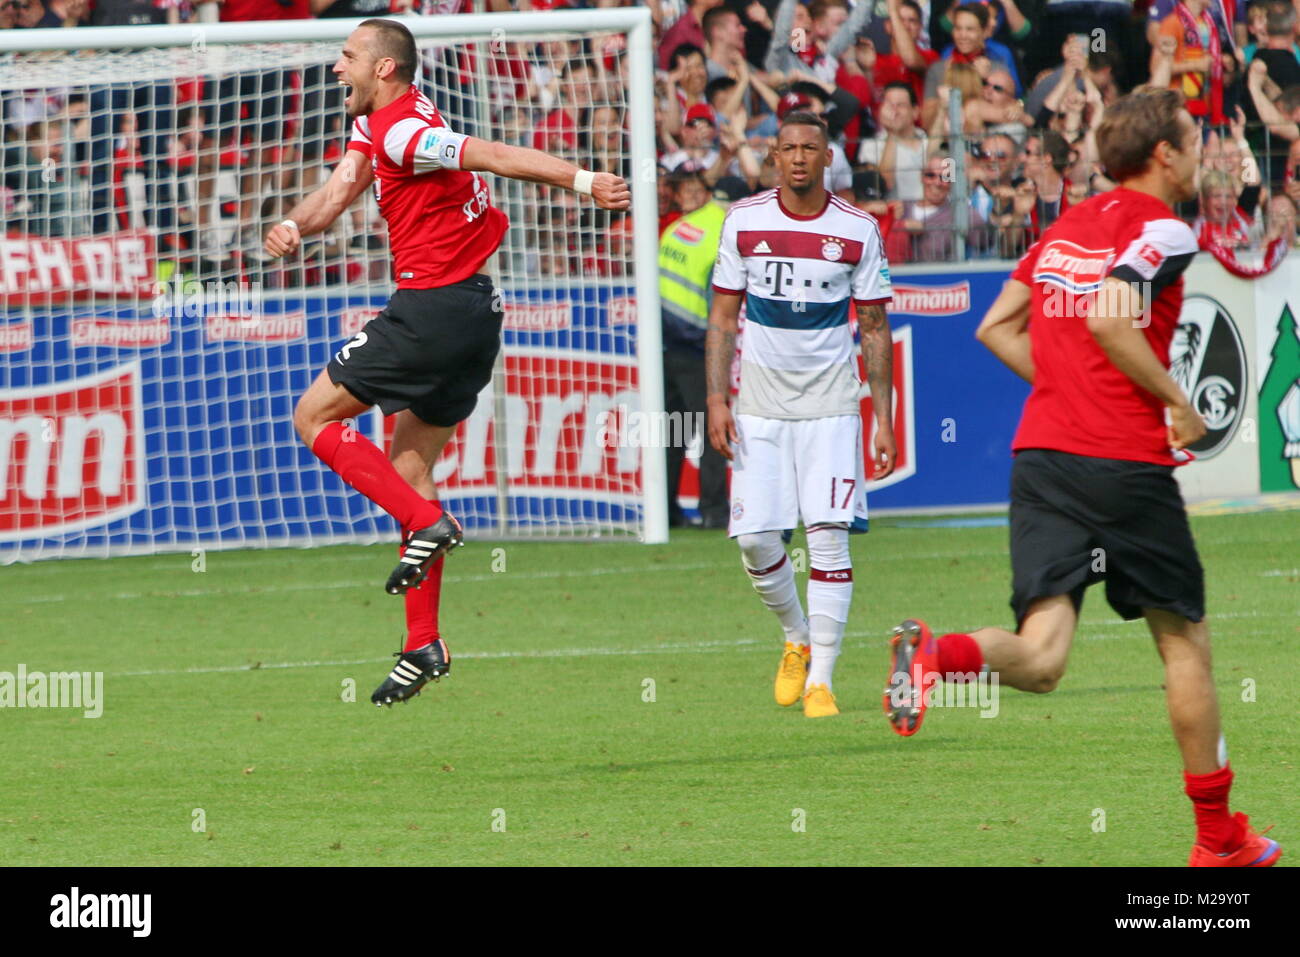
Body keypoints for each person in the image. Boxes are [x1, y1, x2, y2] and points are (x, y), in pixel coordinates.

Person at [882, 88, 1282, 869]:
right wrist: (1179, 403)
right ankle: (1218, 838)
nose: (1201, 154)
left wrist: (1064, 391)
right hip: (1123, 462)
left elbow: (995, 326)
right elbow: (1109, 314)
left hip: (1042, 459)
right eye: (1194, 140)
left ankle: (938, 653)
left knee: (1042, 657)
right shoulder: (1165, 228)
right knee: (1185, 647)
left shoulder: (1062, 229)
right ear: (1164, 155)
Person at [263, 19, 629, 707]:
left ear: (384, 70)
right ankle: (422, 643)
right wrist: (293, 224)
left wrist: (582, 180)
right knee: (410, 467)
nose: (336, 69)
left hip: (431, 313)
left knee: (313, 416)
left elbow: (490, 154)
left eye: (347, 58)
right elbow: (339, 191)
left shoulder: (404, 130)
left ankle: (429, 526)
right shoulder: (378, 126)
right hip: (473, 315)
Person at [705, 110, 896, 718]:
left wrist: (883, 417)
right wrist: (715, 399)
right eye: (786, 148)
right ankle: (796, 635)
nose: (797, 158)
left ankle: (823, 681)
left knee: (828, 538)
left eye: (808, 148)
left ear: (827, 157)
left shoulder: (859, 230)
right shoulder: (743, 222)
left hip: (831, 405)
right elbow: (723, 319)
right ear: (774, 157)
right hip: (759, 403)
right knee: (758, 540)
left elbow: (873, 326)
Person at [659, 174, 749, 529]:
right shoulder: (724, 234)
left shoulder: (682, 225)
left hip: (662, 344)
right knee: (715, 428)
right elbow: (719, 308)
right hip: (697, 345)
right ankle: (713, 509)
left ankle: (665, 510)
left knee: (672, 433)